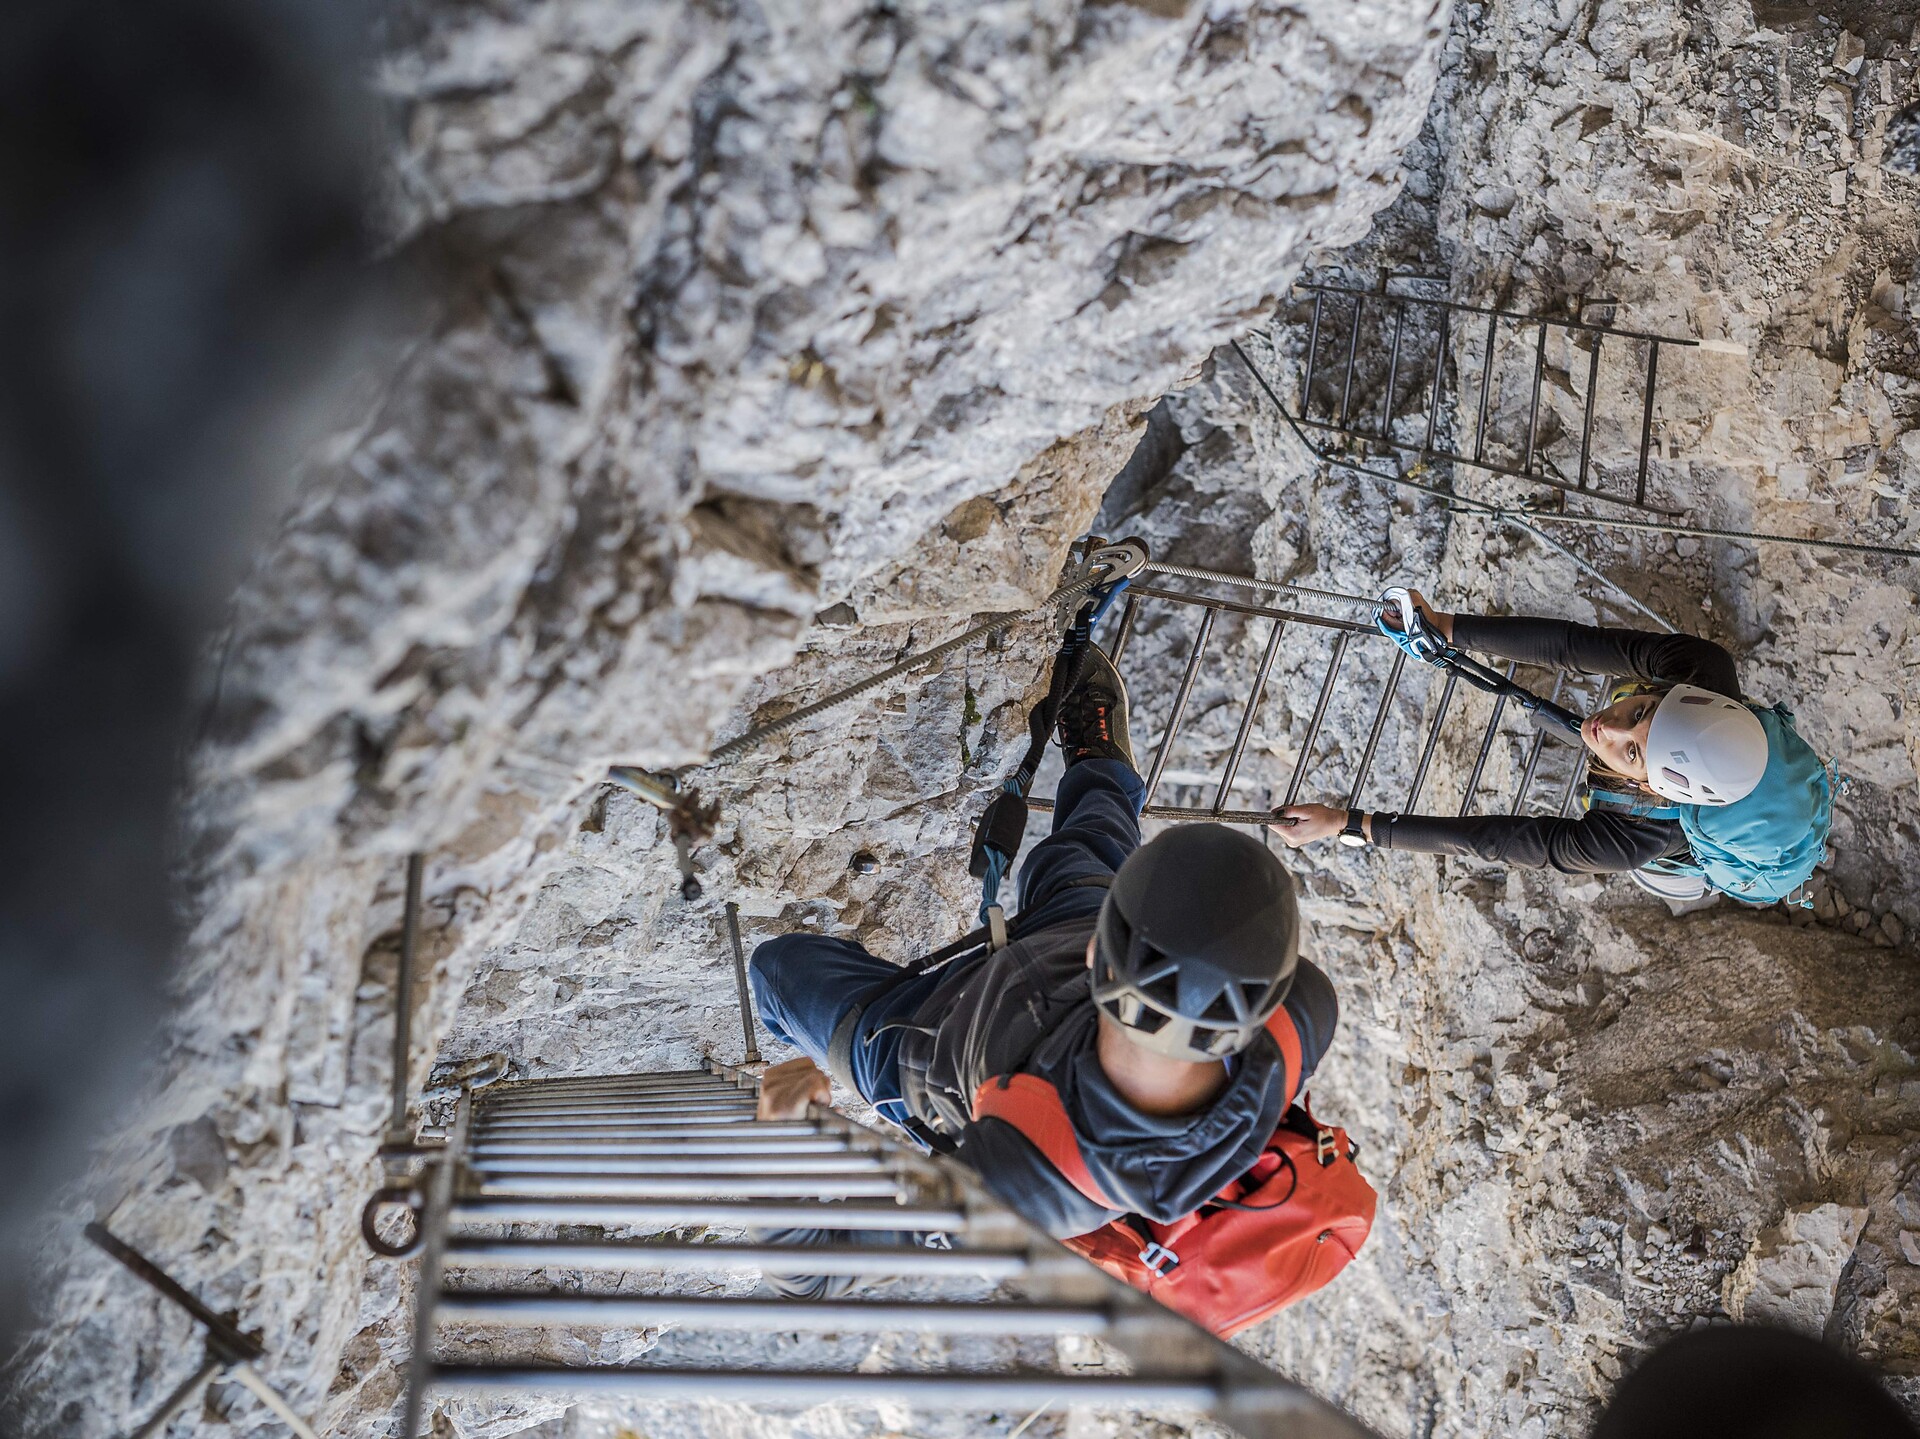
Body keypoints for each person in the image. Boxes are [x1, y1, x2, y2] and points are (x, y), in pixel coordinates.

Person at [750, 646, 1339, 1240]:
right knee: (1084, 846)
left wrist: (781, 1135)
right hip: (1061, 951)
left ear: (1098, 957)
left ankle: (1101, 834)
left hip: (925, 1048)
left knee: (777, 971)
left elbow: (814, 1274)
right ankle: (1098, 756)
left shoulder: (1023, 1184)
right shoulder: (1303, 1009)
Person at [1270, 589, 1810, 901]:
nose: (1610, 727)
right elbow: (1573, 645)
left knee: (1667, 877)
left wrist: (1351, 825)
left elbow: (1496, 839)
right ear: (1676, 695)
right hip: (1682, 753)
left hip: (1676, 844)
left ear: (1648, 786)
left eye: (1631, 753)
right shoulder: (1702, 669)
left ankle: (1687, 889)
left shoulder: (1632, 840)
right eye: (1641, 712)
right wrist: (1443, 628)